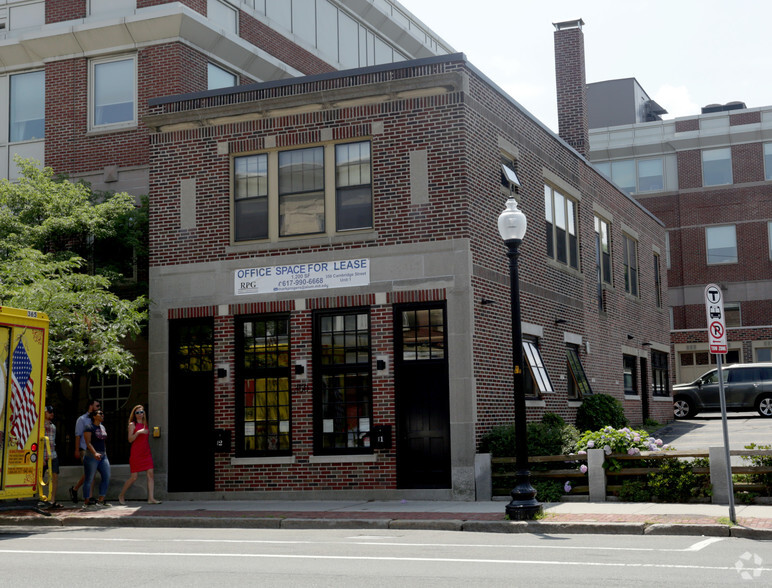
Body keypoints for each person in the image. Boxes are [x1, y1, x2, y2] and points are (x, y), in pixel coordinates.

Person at [118, 405, 161, 505]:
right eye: (137, 412)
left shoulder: (146, 423)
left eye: (141, 412)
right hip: (136, 453)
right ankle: (121, 495)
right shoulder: (132, 424)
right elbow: (130, 439)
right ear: (134, 414)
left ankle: (151, 498)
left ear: (144, 413)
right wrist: (138, 432)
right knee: (134, 477)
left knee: (150, 474)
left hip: (146, 452)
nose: (140, 414)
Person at [69, 398, 101, 503]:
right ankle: (88, 497)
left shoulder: (97, 419)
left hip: (95, 450)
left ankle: (76, 490)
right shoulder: (82, 419)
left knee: (91, 472)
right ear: (91, 406)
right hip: (84, 449)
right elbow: (77, 435)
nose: (99, 408)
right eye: (97, 406)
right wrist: (77, 450)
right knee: (90, 472)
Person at [82, 409, 111, 508]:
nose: (102, 415)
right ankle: (86, 501)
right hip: (91, 456)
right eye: (100, 413)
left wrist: (104, 452)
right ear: (94, 416)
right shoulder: (89, 427)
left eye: (103, 413)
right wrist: (95, 453)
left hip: (103, 456)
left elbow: (103, 441)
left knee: (106, 476)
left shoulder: (102, 427)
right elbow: (88, 442)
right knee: (89, 479)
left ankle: (101, 500)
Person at [43, 406, 63, 508]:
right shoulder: (39, 426)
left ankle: (52, 500)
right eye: (49, 412)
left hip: (53, 455)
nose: (52, 414)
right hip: (42, 456)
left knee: (54, 477)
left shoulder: (53, 426)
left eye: (52, 412)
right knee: (37, 478)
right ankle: (40, 498)